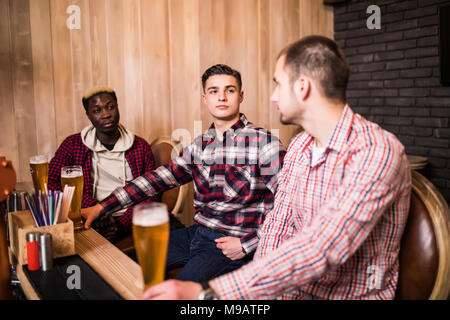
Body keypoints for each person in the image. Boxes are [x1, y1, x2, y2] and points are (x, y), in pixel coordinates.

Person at [141, 35, 412, 300]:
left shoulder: (375, 150)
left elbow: (322, 249)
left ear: (302, 87)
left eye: (278, 84)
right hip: (290, 291)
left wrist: (210, 293)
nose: (272, 97)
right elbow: (277, 226)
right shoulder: (300, 146)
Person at [82, 65, 286, 282]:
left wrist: (248, 244)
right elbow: (155, 180)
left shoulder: (265, 143)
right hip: (197, 233)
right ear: (205, 98)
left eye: (230, 90)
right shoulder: (200, 146)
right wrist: (103, 207)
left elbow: (290, 204)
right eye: (214, 91)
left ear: (241, 96)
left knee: (177, 295)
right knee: (121, 268)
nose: (222, 97)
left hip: (230, 245)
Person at [48, 86, 161, 243]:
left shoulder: (140, 146)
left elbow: (151, 192)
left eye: (110, 107)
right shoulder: (72, 145)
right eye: (97, 110)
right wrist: (94, 209)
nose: (106, 114)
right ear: (88, 115)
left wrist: (122, 224)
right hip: (89, 217)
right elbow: (53, 182)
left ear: (117, 107)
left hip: (130, 219)